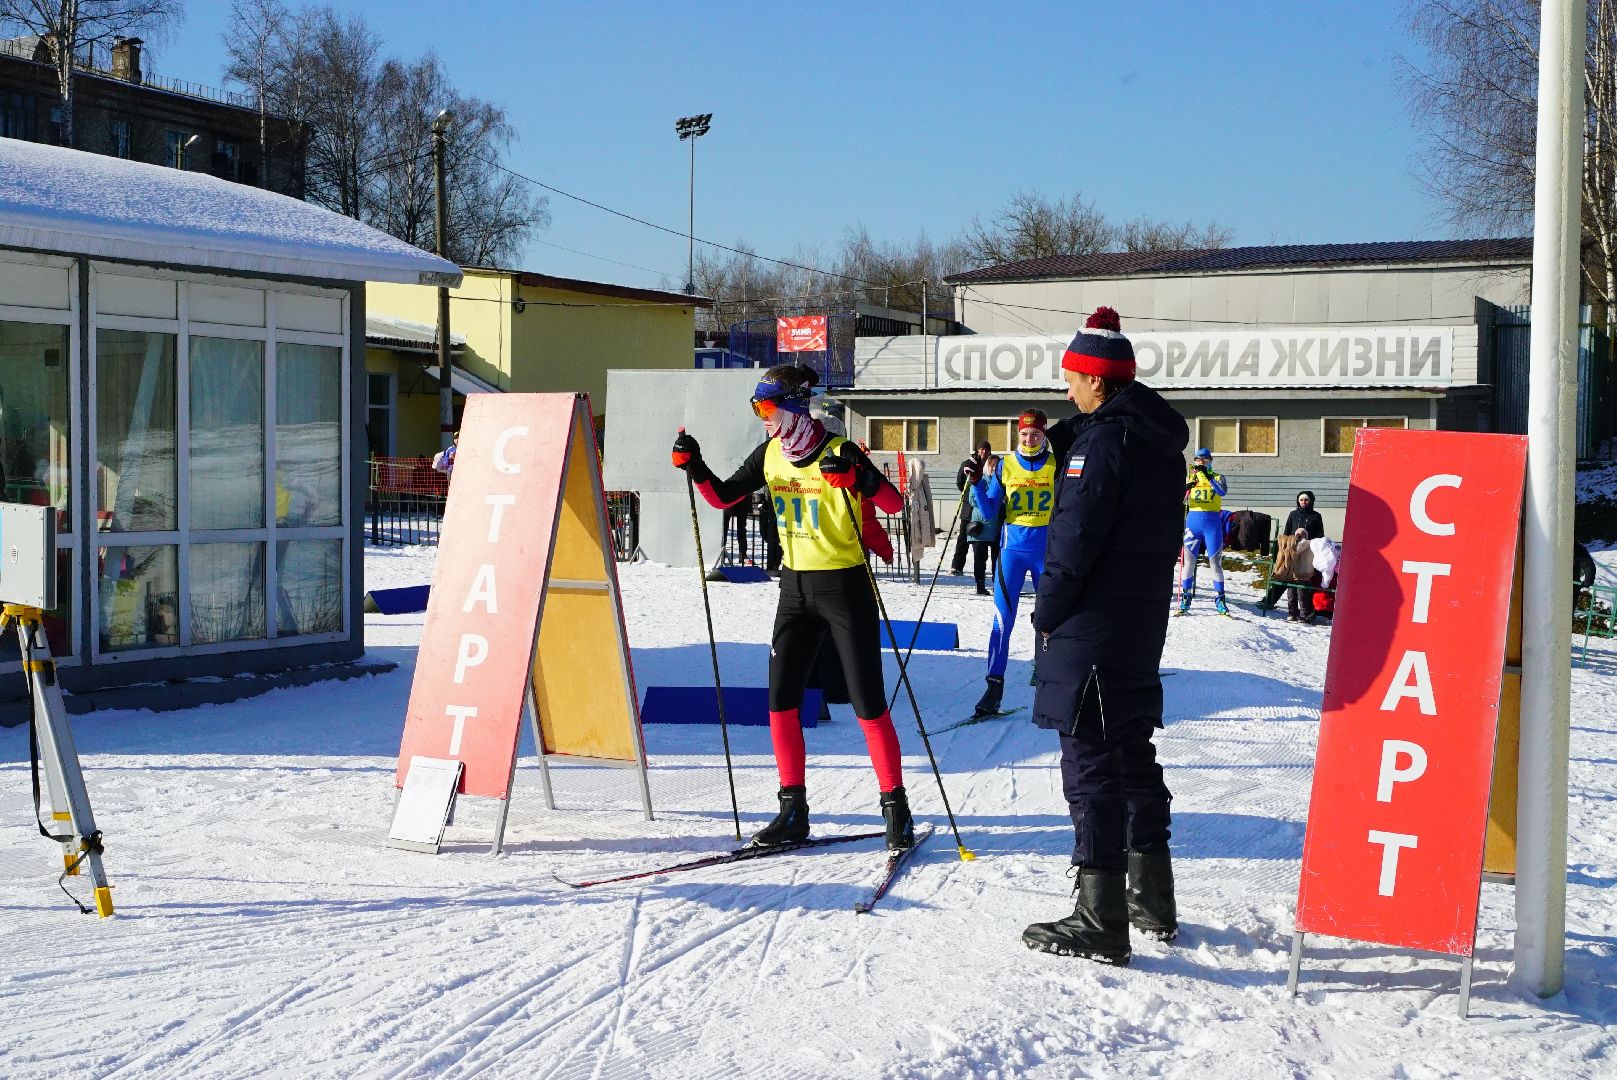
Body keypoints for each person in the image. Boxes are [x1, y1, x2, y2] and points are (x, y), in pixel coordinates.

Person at [671, 363, 915, 851]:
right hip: (794, 590)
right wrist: (694, 464)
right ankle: (792, 809)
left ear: (796, 406)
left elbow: (893, 504)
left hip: (844, 586)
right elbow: (722, 498)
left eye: (766, 407)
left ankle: (896, 807)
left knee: (867, 703)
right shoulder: (770, 454)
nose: (762, 418)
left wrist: (858, 480)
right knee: (780, 702)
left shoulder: (839, 450)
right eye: (757, 408)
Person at [1021, 306, 1188, 966]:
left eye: (1069, 376)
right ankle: (1150, 897)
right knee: (1129, 751)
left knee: (1090, 760)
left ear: (1094, 378)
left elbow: (1074, 538)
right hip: (1137, 618)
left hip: (1091, 621)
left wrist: (1046, 611)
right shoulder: (1149, 439)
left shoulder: (1102, 446)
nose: (1064, 388)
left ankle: (1100, 916)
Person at [970, 408, 1056, 719]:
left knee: (1050, 620)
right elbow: (991, 510)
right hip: (1012, 552)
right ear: (1017, 435)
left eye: (1034, 433)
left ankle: (1048, 679)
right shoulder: (1006, 465)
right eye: (1023, 434)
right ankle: (993, 689)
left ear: (1043, 434)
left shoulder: (1054, 463)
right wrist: (979, 482)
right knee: (1002, 620)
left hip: (1046, 551)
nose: (1029, 438)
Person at [1178, 447, 1229, 615]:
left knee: (1215, 562)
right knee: (1188, 563)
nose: (1201, 462)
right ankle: (1186, 597)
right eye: (1198, 460)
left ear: (1210, 461)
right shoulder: (1190, 478)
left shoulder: (1217, 477)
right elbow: (1179, 499)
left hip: (1212, 524)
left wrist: (1208, 477)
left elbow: (1222, 492)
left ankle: (1220, 599)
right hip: (1193, 523)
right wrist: (1186, 487)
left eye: (1205, 460)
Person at [1258, 491, 1325, 610]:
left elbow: (1320, 535)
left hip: (1306, 552)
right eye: (1301, 500)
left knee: (1303, 581)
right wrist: (1282, 549)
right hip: (1291, 551)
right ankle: (1268, 601)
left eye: (1306, 500)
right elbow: (1286, 532)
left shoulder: (1316, 516)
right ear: (1298, 501)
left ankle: (1307, 611)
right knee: (1284, 576)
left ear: (1311, 501)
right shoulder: (1293, 514)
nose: (1304, 502)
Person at [951, 440, 994, 576]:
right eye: (981, 449)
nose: (984, 452)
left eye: (987, 450)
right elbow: (959, 482)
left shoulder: (991, 465)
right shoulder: (968, 464)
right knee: (963, 537)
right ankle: (957, 566)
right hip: (968, 506)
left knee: (983, 539)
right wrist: (968, 494)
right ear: (977, 450)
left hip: (985, 507)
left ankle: (990, 570)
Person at [963, 451, 1001, 595]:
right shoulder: (980, 480)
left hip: (996, 527)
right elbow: (972, 500)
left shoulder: (1001, 483)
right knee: (980, 559)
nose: (993, 469)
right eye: (992, 466)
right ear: (987, 467)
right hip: (980, 526)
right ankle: (980, 585)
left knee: (997, 560)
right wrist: (986, 501)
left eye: (996, 467)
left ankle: (998, 585)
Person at [1270, 528, 1317, 622]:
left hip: (1303, 575)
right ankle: (1293, 614)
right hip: (1292, 574)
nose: (1299, 535)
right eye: (1298, 533)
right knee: (1291, 596)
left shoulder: (1307, 544)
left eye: (1302, 533)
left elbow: (1298, 548)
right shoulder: (1293, 545)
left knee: (1302, 596)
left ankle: (1304, 615)